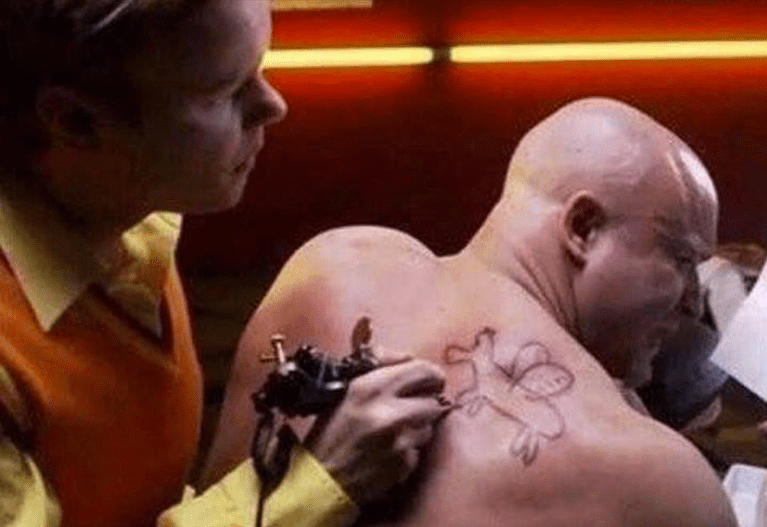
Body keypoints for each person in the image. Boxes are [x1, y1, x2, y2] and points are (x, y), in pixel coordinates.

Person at [205, 97, 767, 527]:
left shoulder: (333, 263)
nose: (690, 299)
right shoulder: (651, 472)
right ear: (583, 227)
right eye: (681, 259)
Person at [0, 1, 449, 526]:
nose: (273, 105)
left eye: (260, 68)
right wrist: (317, 484)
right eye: (225, 91)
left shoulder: (132, 218)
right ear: (75, 120)